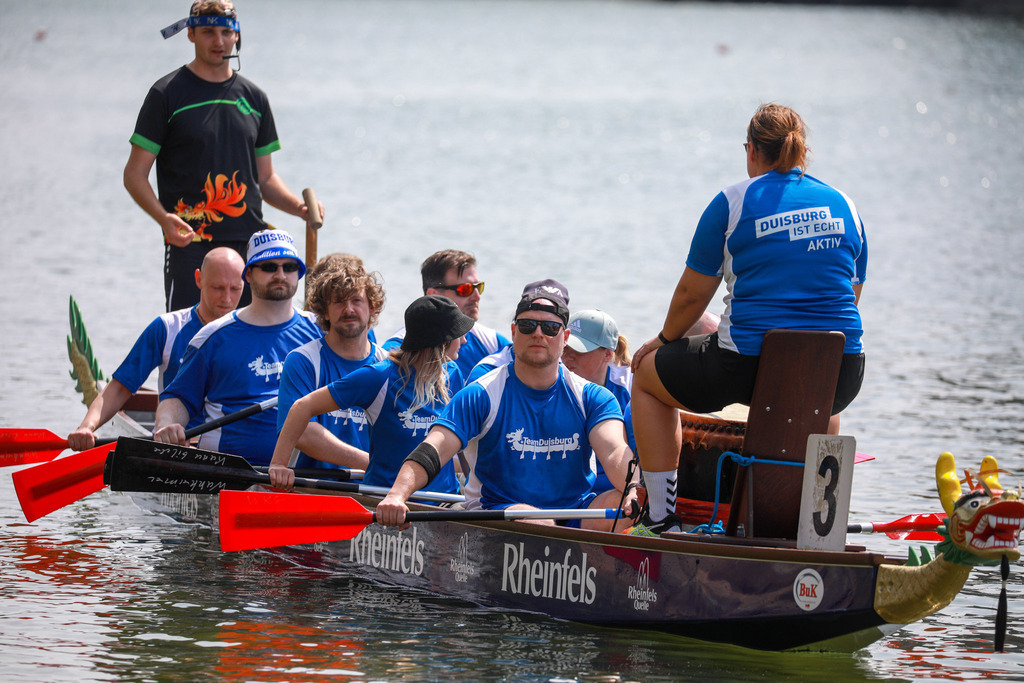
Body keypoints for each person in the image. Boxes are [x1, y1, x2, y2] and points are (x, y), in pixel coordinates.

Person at [628, 103, 867, 536]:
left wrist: (662, 340)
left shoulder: (731, 203)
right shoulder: (845, 205)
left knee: (645, 378)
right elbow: (852, 296)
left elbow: (690, 296)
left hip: (747, 366)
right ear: (802, 151)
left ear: (752, 150)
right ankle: (817, 528)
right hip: (844, 370)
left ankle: (661, 518)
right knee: (822, 398)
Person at [376, 280, 640, 533]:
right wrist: (397, 495)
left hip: (575, 512)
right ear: (513, 332)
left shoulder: (593, 397)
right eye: (527, 325)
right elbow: (434, 448)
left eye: (549, 328)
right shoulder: (481, 394)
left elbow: (615, 451)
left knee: (629, 503)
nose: (538, 334)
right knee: (539, 522)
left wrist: (633, 488)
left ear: (565, 337)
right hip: (499, 511)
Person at [126, 0, 323, 312]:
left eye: (225, 33)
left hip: (250, 245)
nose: (218, 41)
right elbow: (134, 175)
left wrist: (296, 207)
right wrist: (163, 219)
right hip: (190, 241)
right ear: (190, 34)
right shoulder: (166, 94)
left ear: (237, 36)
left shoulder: (254, 98)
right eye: (207, 32)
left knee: (250, 344)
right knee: (188, 343)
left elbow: (266, 179)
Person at [268, 295, 474, 497]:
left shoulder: (452, 373)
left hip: (445, 499)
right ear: (440, 342)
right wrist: (279, 464)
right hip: (386, 499)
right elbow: (302, 406)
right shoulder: (379, 377)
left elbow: (462, 441)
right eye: (459, 333)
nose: (464, 340)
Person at [153, 229, 322, 465]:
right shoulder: (213, 337)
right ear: (249, 275)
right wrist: (168, 425)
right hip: (230, 472)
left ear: (299, 273)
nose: (280, 275)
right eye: (270, 267)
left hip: (309, 475)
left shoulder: (322, 331)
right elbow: (177, 398)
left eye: (289, 267)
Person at [67, 247, 245, 451]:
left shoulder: (252, 331)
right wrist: (86, 427)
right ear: (199, 279)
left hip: (230, 448)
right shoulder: (167, 328)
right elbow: (119, 389)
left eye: (235, 289)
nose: (227, 299)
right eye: (218, 288)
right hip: (173, 445)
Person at [276, 254, 388, 472]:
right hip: (312, 489)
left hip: (374, 491)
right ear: (324, 312)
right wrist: (371, 464)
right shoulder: (303, 361)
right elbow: (303, 433)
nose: (348, 310)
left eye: (356, 300)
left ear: (372, 307)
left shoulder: (388, 365)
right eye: (338, 302)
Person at [383, 250, 509, 379]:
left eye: (478, 287)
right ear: (434, 295)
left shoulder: (492, 342)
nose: (476, 296)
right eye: (465, 289)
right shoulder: (396, 348)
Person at [561, 309, 633, 493]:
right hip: (568, 486)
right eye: (565, 347)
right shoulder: (550, 382)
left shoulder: (631, 386)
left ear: (607, 355)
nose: (568, 356)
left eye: (578, 350)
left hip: (616, 487)